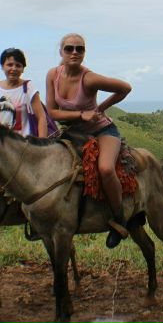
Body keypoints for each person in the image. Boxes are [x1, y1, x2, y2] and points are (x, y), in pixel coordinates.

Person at [45, 33, 132, 248]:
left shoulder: (89, 78)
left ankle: (119, 219)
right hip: (74, 132)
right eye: (69, 48)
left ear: (84, 53)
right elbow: (52, 112)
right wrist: (80, 115)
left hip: (102, 131)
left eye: (79, 49)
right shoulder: (53, 75)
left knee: (105, 169)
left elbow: (125, 88)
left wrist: (100, 109)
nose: (74, 52)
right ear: (61, 52)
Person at [0, 48, 49, 137]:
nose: (14, 68)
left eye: (18, 65)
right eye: (9, 65)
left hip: (23, 145)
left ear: (23, 69)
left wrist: (42, 144)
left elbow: (41, 118)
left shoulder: (28, 87)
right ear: (2, 66)